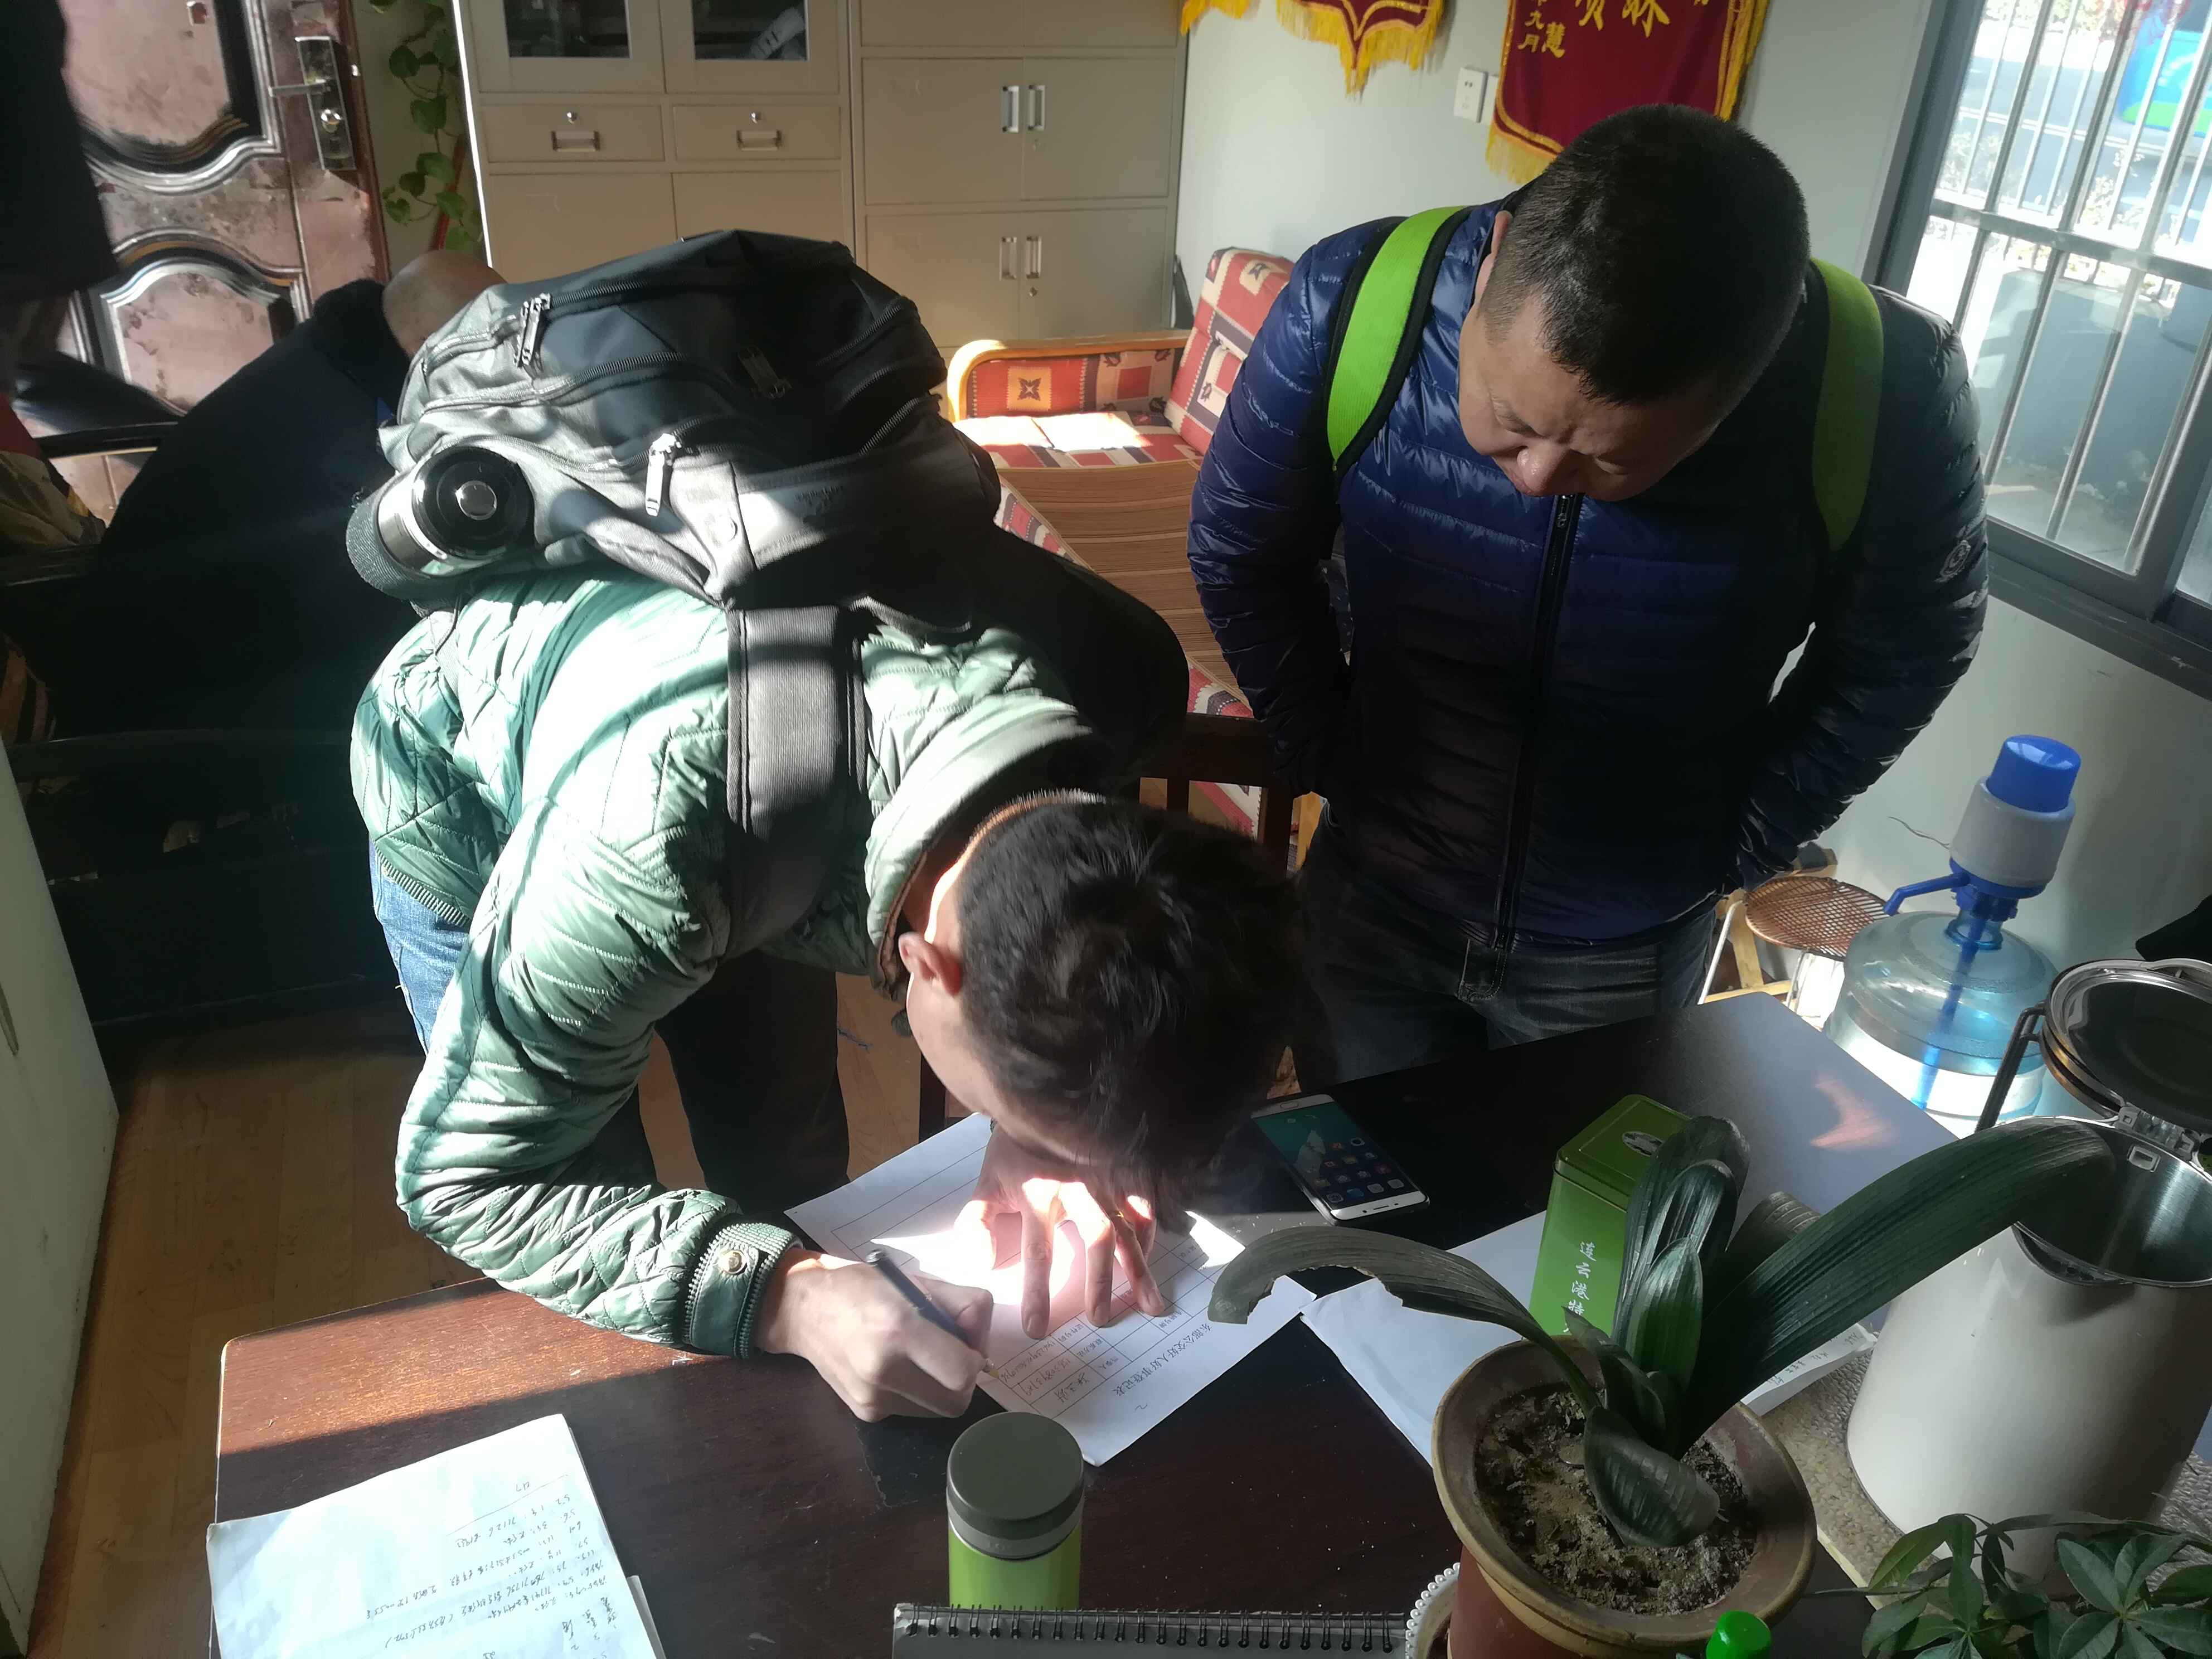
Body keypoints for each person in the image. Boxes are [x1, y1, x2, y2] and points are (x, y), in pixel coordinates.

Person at [353, 527, 1302, 1422]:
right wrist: (787, 1299)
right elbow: (474, 1182)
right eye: (1008, 1115)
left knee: (788, 1153)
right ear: (924, 965)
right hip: (484, 794)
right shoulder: (630, 866)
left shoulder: (1111, 685)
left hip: (772, 792)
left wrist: (1044, 1135)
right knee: (600, 1198)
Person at [1186, 105, 1987, 1083]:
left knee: (1575, 1180)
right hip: (1375, 899)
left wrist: (1744, 836)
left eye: (1610, 460)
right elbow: (1240, 547)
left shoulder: (1882, 384)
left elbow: (1909, 646)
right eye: (1511, 420)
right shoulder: (1356, 295)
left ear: (1735, 398)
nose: (1535, 476)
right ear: (1492, 265)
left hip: (1624, 945)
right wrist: (1324, 747)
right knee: (1360, 1170)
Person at [20, 251, 502, 735]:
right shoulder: (358, 452)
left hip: (117, 648)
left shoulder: (324, 360)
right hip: (169, 720)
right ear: (435, 353)